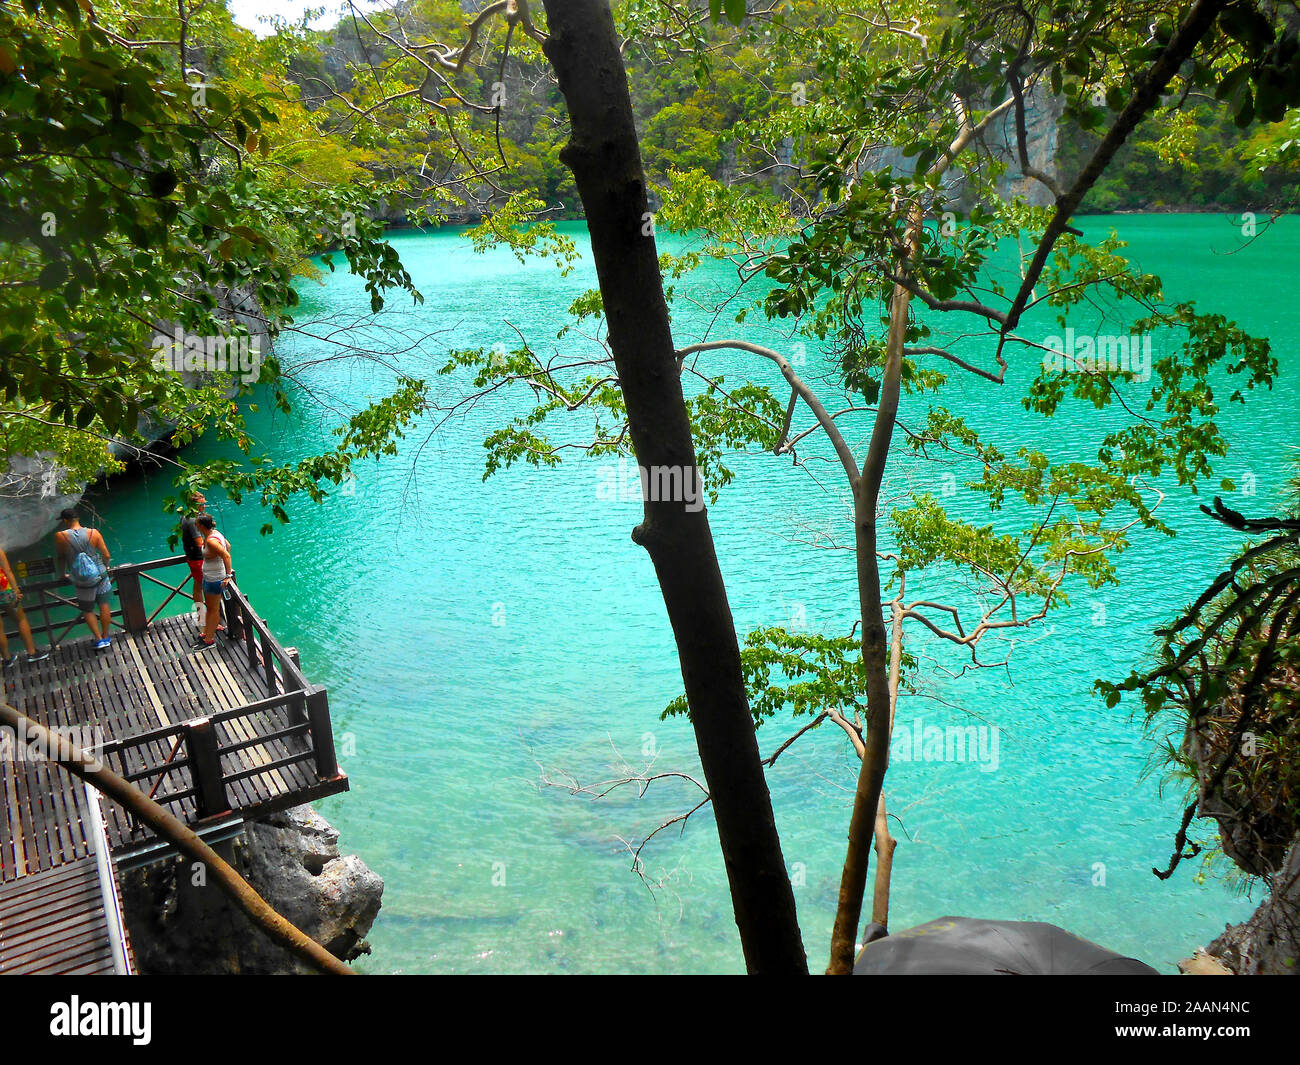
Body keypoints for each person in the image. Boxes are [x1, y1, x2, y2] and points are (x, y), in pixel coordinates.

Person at [55, 508, 114, 651]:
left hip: (81, 578)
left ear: (65, 520)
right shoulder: (94, 533)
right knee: (104, 604)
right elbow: (106, 554)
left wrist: (62, 574)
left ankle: (98, 639)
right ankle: (105, 636)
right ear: (77, 518)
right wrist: (105, 567)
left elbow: (60, 558)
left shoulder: (61, 536)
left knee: (88, 609)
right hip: (100, 575)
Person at [0, 545, 50, 667]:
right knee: (21, 619)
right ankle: (31, 653)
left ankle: (6, 659)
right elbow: (8, 571)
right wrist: (16, 590)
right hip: (5, 591)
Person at [194, 513, 233, 649]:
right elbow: (227, 545)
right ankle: (206, 633)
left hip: (215, 579)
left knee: (213, 609)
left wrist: (228, 575)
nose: (195, 524)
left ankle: (209, 640)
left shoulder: (211, 540)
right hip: (210, 577)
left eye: (197, 523)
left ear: (202, 525)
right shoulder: (214, 534)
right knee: (211, 608)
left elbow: (226, 555)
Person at [180, 492, 208, 625]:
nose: (204, 506)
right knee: (206, 588)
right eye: (201, 504)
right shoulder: (193, 520)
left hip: (192, 558)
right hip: (198, 559)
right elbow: (200, 543)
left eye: (204, 503)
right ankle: (206, 619)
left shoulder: (185, 516)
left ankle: (201, 616)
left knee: (198, 586)